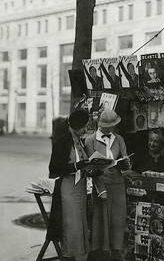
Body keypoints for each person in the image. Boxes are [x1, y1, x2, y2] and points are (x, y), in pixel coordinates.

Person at [47, 110, 103, 261]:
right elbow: (54, 169)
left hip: (80, 189)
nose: (86, 130)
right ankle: (71, 257)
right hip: (68, 190)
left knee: (82, 227)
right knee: (72, 229)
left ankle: (80, 257)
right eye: (84, 127)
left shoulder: (79, 141)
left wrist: (95, 169)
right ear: (77, 125)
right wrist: (76, 167)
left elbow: (83, 165)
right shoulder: (63, 142)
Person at [85, 109, 130, 261]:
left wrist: (125, 164)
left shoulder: (119, 139)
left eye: (113, 126)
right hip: (101, 184)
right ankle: (101, 254)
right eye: (108, 126)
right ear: (101, 125)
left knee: (118, 221)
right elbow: (91, 168)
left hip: (118, 184)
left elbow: (126, 164)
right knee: (101, 221)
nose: (111, 129)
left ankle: (116, 253)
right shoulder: (90, 141)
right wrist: (100, 190)